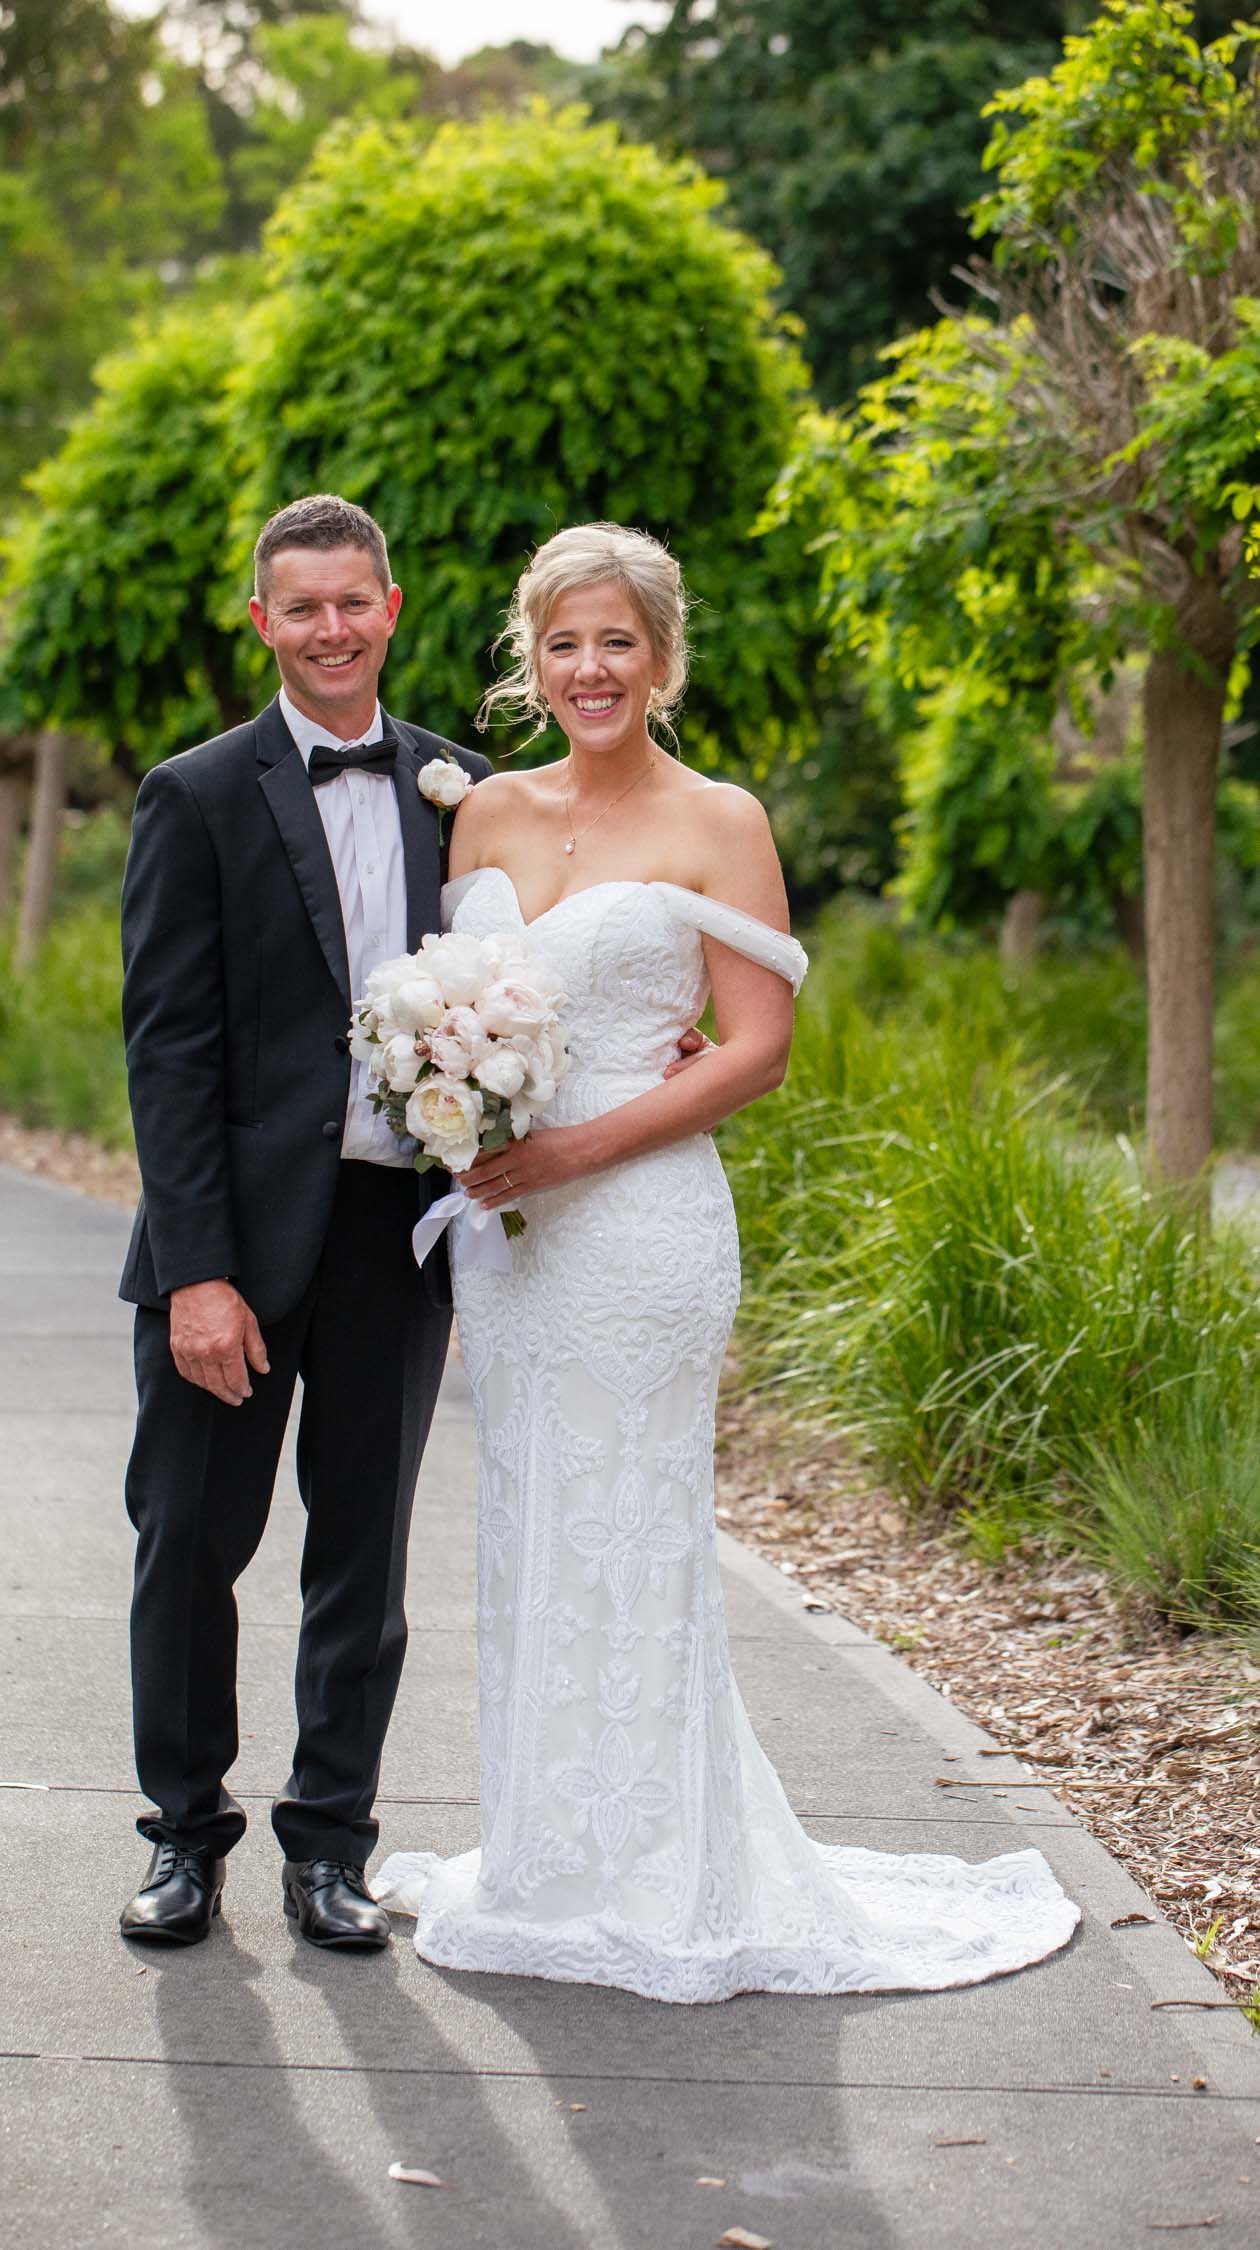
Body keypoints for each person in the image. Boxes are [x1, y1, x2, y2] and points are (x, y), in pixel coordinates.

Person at [375, 523, 1080, 2000]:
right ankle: (547, 1858)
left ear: (663, 655)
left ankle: (667, 1868)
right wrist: (455, 1103)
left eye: (618, 642)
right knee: (531, 1519)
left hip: (637, 1232)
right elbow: (461, 1007)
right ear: (532, 655)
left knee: (634, 1520)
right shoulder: (485, 814)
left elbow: (756, 1047)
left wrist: (574, 1147)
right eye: (565, 642)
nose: (590, 669)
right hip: (507, 1245)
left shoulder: (721, 819)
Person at [116, 494, 495, 1949]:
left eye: (355, 602)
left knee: (363, 1556)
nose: (331, 628)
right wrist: (199, 1273)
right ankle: (182, 1839)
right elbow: (170, 1049)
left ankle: (331, 1843)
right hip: (228, 1246)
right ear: (261, 619)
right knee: (187, 1543)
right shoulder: (195, 794)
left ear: (390, 609)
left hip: (392, 1239)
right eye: (304, 606)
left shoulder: (467, 790)